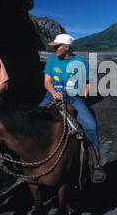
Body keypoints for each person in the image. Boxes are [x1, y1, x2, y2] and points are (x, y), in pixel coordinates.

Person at [38, 33, 106, 183]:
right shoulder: (52, 60)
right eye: (54, 46)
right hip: (51, 95)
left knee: (91, 126)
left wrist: (84, 96)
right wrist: (54, 93)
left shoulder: (80, 62)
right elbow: (47, 82)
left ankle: (96, 163)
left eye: (57, 46)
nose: (54, 48)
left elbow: (87, 82)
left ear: (67, 47)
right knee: (34, 121)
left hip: (73, 97)